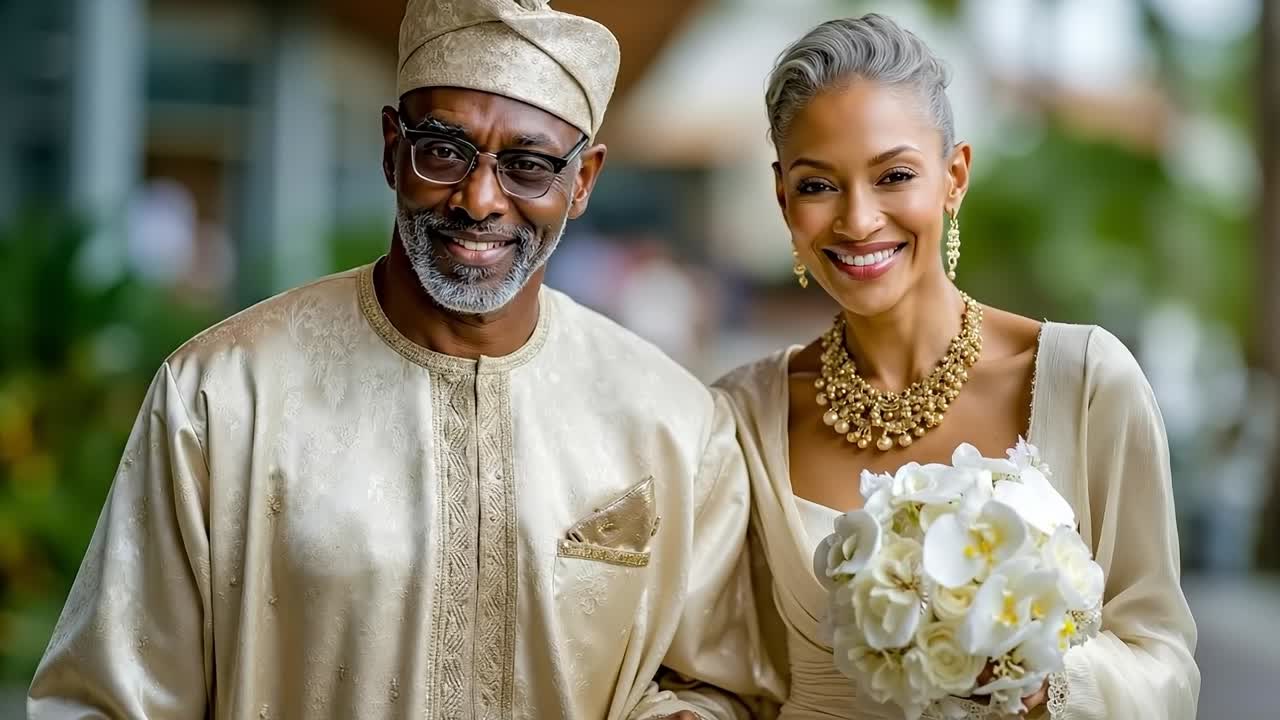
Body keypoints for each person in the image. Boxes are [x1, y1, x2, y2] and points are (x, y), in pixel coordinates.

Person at [27, 1, 780, 717]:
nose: (481, 198)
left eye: (528, 165)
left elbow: (719, 680)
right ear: (393, 147)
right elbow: (108, 695)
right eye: (446, 152)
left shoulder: (674, 422)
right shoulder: (223, 396)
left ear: (581, 182)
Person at [713, 14, 1200, 719]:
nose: (857, 219)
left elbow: (1167, 672)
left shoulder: (1088, 383)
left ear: (955, 177)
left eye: (895, 176)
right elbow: (719, 676)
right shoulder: (743, 419)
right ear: (784, 199)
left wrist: (1039, 681)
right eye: (819, 186)